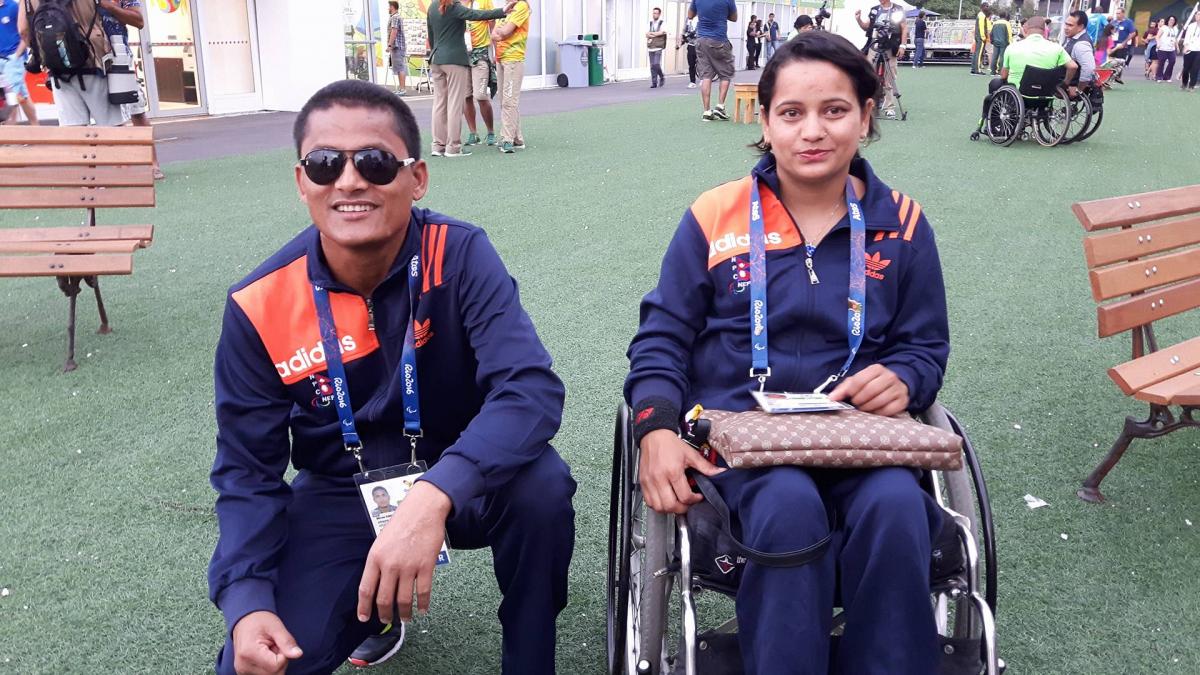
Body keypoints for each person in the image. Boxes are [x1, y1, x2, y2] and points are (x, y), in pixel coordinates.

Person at [207, 79, 576, 675]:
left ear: (417, 177)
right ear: (302, 181)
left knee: (541, 487)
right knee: (259, 664)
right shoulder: (259, 302)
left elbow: (529, 390)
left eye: (376, 163)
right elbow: (247, 472)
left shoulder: (458, 255)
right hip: (341, 489)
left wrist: (435, 494)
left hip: (464, 473)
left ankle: (529, 657)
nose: (349, 181)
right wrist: (245, 601)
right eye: (325, 164)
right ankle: (371, 604)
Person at [627, 30, 949, 675]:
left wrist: (907, 377)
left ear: (866, 114)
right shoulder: (714, 216)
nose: (813, 131)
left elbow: (926, 343)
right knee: (787, 505)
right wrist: (656, 429)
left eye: (834, 110)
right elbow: (660, 339)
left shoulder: (904, 224)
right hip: (731, 433)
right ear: (766, 122)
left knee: (894, 508)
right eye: (791, 113)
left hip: (860, 437)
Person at [425, 0, 512, 158]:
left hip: (436, 59)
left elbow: (431, 36)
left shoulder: (432, 6)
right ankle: (453, 147)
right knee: (454, 104)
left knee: (439, 104)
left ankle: (437, 146)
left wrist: (436, 52)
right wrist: (503, 10)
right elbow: (477, 15)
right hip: (454, 60)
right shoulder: (454, 6)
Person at [18, 0, 118, 127]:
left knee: (73, 132)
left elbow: (23, 30)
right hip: (92, 61)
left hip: (58, 70)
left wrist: (44, 50)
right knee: (112, 128)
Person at [975, 16, 1077, 138]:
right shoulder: (1057, 48)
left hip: (1019, 95)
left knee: (996, 83)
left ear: (1026, 29)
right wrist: (1065, 83)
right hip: (1046, 95)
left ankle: (996, 125)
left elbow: (1003, 75)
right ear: (1044, 30)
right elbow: (1073, 66)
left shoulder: (1013, 47)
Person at [97, 0, 165, 179]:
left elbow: (139, 20)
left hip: (121, 57)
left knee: (137, 111)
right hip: (94, 59)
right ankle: (123, 167)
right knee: (111, 115)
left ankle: (152, 163)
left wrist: (110, 7)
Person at [856, 0, 907, 118]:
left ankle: (889, 106)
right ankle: (869, 105)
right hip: (874, 45)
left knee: (890, 77)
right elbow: (866, 27)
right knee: (869, 75)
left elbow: (904, 28)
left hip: (891, 45)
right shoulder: (874, 9)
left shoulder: (897, 9)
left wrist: (903, 46)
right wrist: (858, 19)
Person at [689, 0, 738, 122]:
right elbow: (734, 17)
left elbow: (690, 15)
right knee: (725, 74)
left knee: (706, 75)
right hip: (719, 40)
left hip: (701, 40)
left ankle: (706, 111)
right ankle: (720, 106)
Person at [492, 0, 529, 153]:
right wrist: (500, 34)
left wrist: (501, 33)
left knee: (509, 100)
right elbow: (494, 34)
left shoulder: (521, 6)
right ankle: (517, 138)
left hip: (513, 58)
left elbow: (504, 31)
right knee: (505, 100)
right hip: (501, 59)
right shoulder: (505, 9)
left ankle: (507, 138)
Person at [462, 0, 496, 147]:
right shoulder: (454, 3)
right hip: (461, 55)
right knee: (465, 96)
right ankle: (473, 133)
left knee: (481, 95)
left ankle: (490, 132)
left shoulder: (484, 2)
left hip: (480, 54)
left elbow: (493, 25)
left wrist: (495, 52)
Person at [0, 0, 39, 126]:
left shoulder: (12, 7)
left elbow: (25, 32)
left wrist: (16, 55)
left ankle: (11, 134)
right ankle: (36, 127)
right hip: (1, 59)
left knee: (11, 94)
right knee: (22, 96)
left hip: (13, 58)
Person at [1063, 10, 1097, 96]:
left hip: (1068, 85)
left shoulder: (1081, 45)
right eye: (1066, 24)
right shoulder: (1073, 38)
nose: (1066, 28)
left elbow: (1089, 68)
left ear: (1080, 27)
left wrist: (1079, 89)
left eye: (1070, 25)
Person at [387, 1, 408, 96]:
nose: (388, 8)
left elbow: (394, 32)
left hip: (397, 46)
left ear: (392, 7)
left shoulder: (395, 17)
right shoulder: (396, 17)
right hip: (398, 46)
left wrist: (389, 45)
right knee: (399, 68)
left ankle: (403, 89)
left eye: (389, 6)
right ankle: (401, 88)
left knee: (400, 68)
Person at [1109, 6, 1136, 71]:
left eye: (1119, 13)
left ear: (1123, 14)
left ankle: (1117, 77)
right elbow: (1108, 32)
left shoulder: (1128, 22)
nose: (1117, 15)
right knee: (1110, 63)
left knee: (1119, 64)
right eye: (1116, 13)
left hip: (1122, 46)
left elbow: (1133, 33)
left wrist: (1124, 43)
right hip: (1112, 45)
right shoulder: (1113, 22)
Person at [647, 7, 667, 88]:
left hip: (658, 46)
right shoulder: (650, 23)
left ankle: (662, 76)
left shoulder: (662, 23)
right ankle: (654, 82)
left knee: (656, 64)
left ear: (659, 14)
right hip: (651, 46)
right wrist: (655, 33)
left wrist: (652, 34)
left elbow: (662, 32)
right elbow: (646, 34)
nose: (654, 14)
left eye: (656, 13)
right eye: (653, 13)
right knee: (652, 65)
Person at [1156, 15, 1179, 82]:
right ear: (1168, 20)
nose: (1172, 21)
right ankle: (1159, 77)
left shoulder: (1175, 29)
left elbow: (1175, 38)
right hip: (1163, 48)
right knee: (1161, 63)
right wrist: (1158, 43)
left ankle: (1167, 77)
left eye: (1173, 20)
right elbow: (1157, 37)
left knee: (1172, 61)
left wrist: (1177, 47)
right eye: (1170, 20)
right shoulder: (1163, 27)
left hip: (1171, 49)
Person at [679, 12, 699, 88]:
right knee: (691, 64)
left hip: (700, 44)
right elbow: (684, 30)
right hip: (690, 44)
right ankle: (692, 81)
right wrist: (682, 39)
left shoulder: (703, 18)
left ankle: (703, 79)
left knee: (701, 63)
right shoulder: (688, 19)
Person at [1181, 12, 1200, 91]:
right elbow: (1187, 37)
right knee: (1186, 69)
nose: (1198, 16)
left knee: (1195, 69)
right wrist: (1185, 46)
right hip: (1189, 49)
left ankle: (1191, 85)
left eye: (1199, 14)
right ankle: (1184, 83)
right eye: (1197, 14)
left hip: (1198, 51)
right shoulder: (1191, 26)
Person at [990, 10, 1012, 76]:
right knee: (1002, 57)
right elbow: (1009, 34)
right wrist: (1010, 43)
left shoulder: (995, 23)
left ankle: (993, 71)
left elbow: (991, 33)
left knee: (994, 56)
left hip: (995, 42)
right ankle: (1000, 71)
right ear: (1005, 15)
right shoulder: (1007, 23)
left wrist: (992, 41)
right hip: (1004, 42)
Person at [972, 2, 991, 74]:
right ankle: (977, 70)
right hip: (980, 37)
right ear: (983, 7)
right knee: (979, 53)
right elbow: (981, 27)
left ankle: (974, 69)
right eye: (987, 6)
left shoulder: (981, 15)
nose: (988, 8)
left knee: (977, 52)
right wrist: (983, 37)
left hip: (978, 36)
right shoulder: (982, 15)